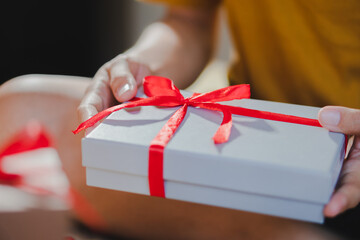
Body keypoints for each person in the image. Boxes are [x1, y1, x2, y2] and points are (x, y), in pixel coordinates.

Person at [0, 0, 359, 239]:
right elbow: (189, 18)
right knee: (27, 97)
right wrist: (138, 65)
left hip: (338, 157)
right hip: (243, 130)